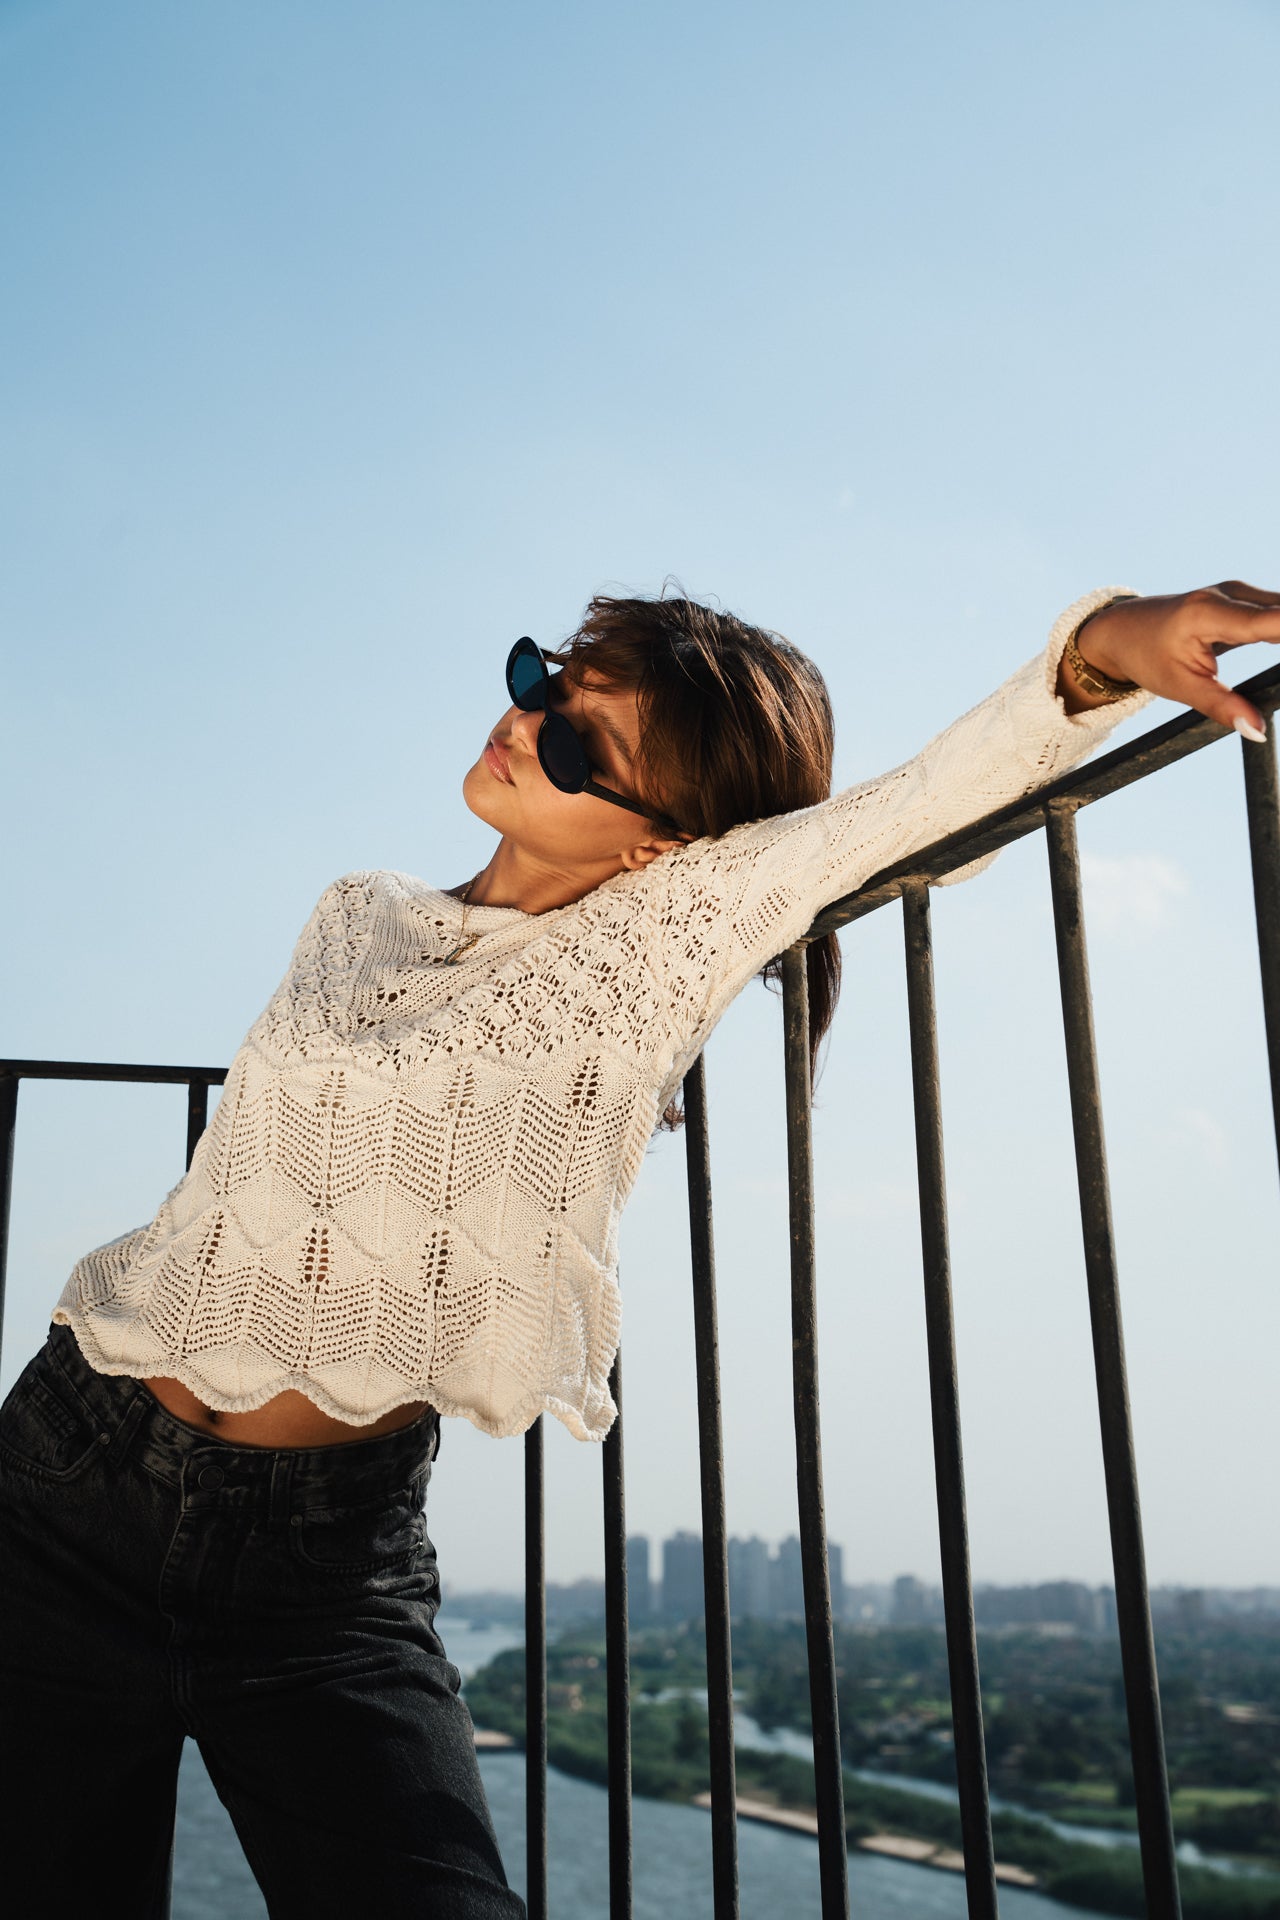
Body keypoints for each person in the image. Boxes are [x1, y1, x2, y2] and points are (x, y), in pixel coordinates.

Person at [0, 578, 1276, 1917]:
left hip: (318, 1576)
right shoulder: (356, 915)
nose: (524, 720)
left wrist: (1096, 656)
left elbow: (904, 814)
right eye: (547, 682)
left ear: (657, 850)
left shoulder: (653, 947)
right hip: (71, 1485)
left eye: (576, 745)